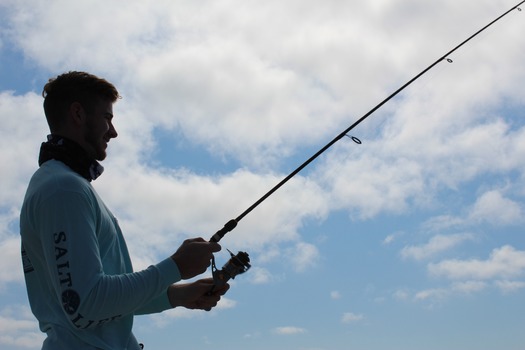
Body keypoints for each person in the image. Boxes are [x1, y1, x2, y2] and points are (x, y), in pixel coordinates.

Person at [19, 71, 229, 349]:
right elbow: (88, 303)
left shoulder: (60, 184)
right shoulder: (64, 189)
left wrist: (176, 295)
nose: (114, 131)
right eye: (107, 117)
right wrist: (175, 267)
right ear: (78, 114)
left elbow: (96, 303)